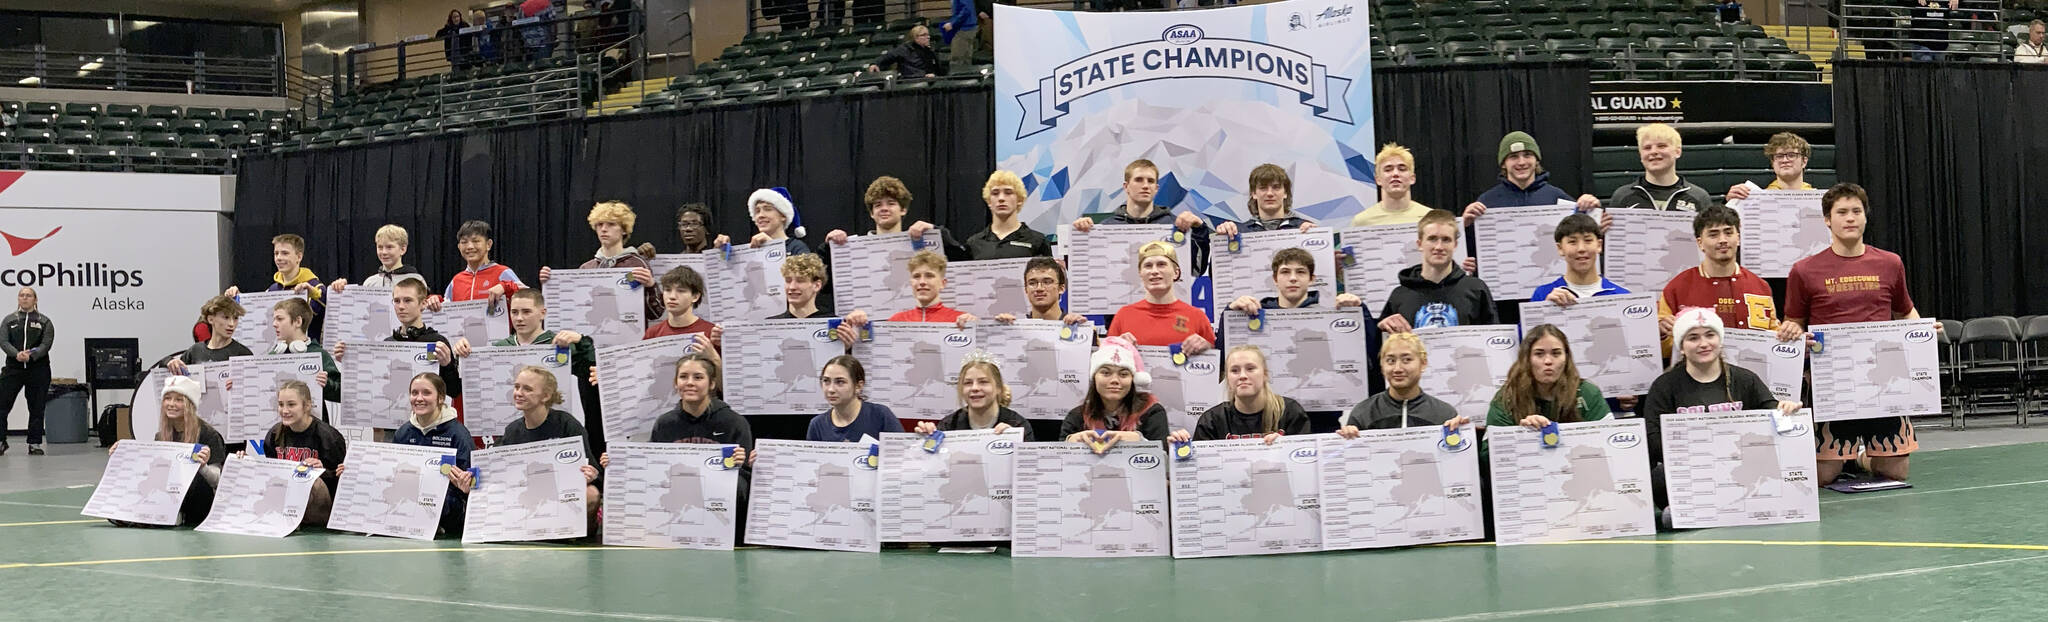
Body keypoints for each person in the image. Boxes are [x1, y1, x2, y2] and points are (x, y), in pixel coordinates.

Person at [1779, 183, 1929, 483]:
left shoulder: (1890, 262)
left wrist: (1922, 332)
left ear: (1865, 217)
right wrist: (1791, 332)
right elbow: (1793, 321)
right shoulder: (1804, 270)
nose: (1850, 218)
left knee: (1894, 473)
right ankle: (1840, 457)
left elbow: (1905, 312)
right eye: (1842, 212)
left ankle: (1860, 458)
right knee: (1823, 476)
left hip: (1882, 378)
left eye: (1856, 211)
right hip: (1832, 380)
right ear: (1827, 219)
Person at [1641, 308, 1804, 514]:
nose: (1703, 344)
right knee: (1658, 475)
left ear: (1720, 340)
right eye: (1693, 338)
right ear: (1681, 346)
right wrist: (1701, 455)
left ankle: (1698, 511)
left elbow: (1770, 413)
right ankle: (1687, 510)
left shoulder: (1745, 379)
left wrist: (1785, 409)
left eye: (1710, 335)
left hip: (1738, 468)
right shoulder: (1664, 386)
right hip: (1691, 471)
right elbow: (1653, 438)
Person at [107, 375, 225, 527]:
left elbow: (217, 481)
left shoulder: (208, 434)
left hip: (199, 501)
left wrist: (203, 467)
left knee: (196, 480)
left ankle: (171, 515)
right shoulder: (161, 435)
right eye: (167, 398)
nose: (171, 404)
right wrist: (122, 454)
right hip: (170, 495)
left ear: (190, 404)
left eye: (179, 400)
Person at [1483, 324, 1612, 456]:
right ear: (1526, 358)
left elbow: (1609, 445)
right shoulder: (1507, 396)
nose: (1548, 361)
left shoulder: (1587, 392)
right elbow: (1488, 458)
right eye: (1539, 354)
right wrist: (1521, 437)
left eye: (1556, 353)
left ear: (1566, 358)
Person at [1657, 206, 1778, 345]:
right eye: (1713, 234)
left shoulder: (1760, 286)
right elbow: (1664, 350)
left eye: (1728, 232)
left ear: (1738, 238)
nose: (1722, 240)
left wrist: (1792, 337)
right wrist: (1661, 334)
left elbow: (1774, 337)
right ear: (1700, 243)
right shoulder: (1677, 287)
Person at [1070, 159, 1212, 275]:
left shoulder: (1175, 225)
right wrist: (1082, 235)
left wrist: (1199, 228)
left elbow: (1196, 270)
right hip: (1120, 309)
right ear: (1126, 186)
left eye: (1150, 181)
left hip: (1164, 307)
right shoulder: (1107, 227)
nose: (1145, 186)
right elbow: (1087, 274)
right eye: (1138, 180)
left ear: (1156, 189)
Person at [500, 365, 602, 524]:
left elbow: (594, 474)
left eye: (527, 389)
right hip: (528, 493)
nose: (518, 393)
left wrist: (591, 475)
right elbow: (500, 473)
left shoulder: (567, 424)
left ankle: (576, 535)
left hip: (561, 494)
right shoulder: (512, 431)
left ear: (546, 396)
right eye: (516, 387)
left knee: (591, 494)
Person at [334, 279, 460, 404]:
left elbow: (454, 391)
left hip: (427, 420)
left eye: (408, 300)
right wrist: (348, 362)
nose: (401, 307)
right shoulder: (388, 344)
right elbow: (369, 386)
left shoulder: (435, 342)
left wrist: (447, 365)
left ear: (423, 304)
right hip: (392, 419)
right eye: (396, 301)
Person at [1378, 209, 1499, 333]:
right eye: (1432, 239)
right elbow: (1382, 347)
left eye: (1446, 239)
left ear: (1455, 245)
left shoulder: (1475, 289)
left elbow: (1491, 339)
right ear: (1419, 244)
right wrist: (1382, 328)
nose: (1439, 247)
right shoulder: (1400, 295)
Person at [539, 201, 659, 322]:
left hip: (630, 337)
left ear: (624, 230)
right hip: (592, 336)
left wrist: (651, 286)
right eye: (599, 224)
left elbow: (655, 314)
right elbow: (572, 308)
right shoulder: (587, 268)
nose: (604, 229)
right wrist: (550, 282)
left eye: (611, 224)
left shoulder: (637, 265)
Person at [1461, 131, 1604, 230]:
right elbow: (1469, 252)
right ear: (1503, 163)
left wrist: (1593, 211)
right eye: (1514, 156)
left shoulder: (1557, 198)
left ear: (1536, 160)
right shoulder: (1486, 202)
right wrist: (1465, 225)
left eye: (1528, 155)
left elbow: (1587, 236)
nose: (1521, 162)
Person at [388, 373, 474, 537]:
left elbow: (471, 482)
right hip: (409, 499)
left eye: (426, 393)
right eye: (414, 393)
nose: (419, 398)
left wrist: (466, 483)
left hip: (448, 507)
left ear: (441, 398)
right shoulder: (403, 432)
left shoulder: (458, 434)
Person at [257, 380, 347, 528]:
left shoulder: (329, 437)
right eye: (281, 404)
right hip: (285, 502)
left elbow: (341, 480)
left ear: (307, 406)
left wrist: (322, 471)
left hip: (322, 508)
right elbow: (272, 472)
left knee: (308, 478)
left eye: (291, 404)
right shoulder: (274, 434)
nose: (284, 410)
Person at [1060, 337, 1175, 450]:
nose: (1114, 380)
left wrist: (1140, 441)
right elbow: (1059, 462)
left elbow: (1163, 459)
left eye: (1123, 374)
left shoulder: (1151, 411)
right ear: (1094, 377)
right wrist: (1069, 444)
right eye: (1105, 373)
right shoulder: (1077, 416)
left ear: (1133, 379)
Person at [1180, 346, 1310, 442]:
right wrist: (1181, 450)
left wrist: (1285, 448)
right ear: (1228, 378)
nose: (1242, 376)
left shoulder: (1290, 412)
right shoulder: (1212, 420)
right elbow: (1202, 469)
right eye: (1235, 370)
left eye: (1250, 369)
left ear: (1265, 374)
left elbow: (1306, 463)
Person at [1340, 331, 1464, 431]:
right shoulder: (1363, 413)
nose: (1397, 369)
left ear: (1423, 364)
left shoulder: (1444, 414)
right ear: (1382, 366)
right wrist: (1347, 442)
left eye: (1407, 360)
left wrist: (1459, 436)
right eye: (1390, 361)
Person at [1107, 241, 1214, 354]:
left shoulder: (1197, 317)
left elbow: (1217, 363)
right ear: (1141, 274)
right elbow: (1105, 361)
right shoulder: (1124, 316)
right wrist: (1115, 346)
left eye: (1161, 264)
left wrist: (1207, 347)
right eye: (1148, 266)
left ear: (1176, 273)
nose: (1154, 271)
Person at [824, 176, 968, 260]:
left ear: (903, 210)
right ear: (871, 213)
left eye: (891, 203)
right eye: (878, 205)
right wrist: (828, 247)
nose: (884, 208)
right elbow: (824, 283)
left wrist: (936, 232)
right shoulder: (854, 249)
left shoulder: (921, 242)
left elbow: (961, 259)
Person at [225, 234, 327, 339]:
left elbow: (325, 306)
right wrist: (238, 298)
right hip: (276, 352)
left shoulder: (314, 286)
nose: (278, 258)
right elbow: (255, 316)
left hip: (307, 352)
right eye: (276, 253)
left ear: (299, 257)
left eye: (285, 253)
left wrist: (313, 294)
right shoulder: (272, 289)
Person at [915, 352, 1033, 440]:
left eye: (983, 382)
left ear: (998, 388)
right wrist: (927, 440)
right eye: (967, 383)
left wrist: (1015, 441)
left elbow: (1027, 468)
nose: (974, 388)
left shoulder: (1017, 425)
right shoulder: (949, 425)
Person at [1530, 213, 1630, 306]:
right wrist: (1545, 309)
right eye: (1572, 242)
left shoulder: (1623, 296)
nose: (1581, 249)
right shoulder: (1542, 295)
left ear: (1599, 245)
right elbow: (1527, 325)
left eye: (1588, 240)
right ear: (1560, 248)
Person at [1608, 123, 1711, 213]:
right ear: (1640, 155)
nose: (1653, 152)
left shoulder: (1699, 197)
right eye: (1647, 148)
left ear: (1678, 152)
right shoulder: (1622, 196)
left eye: (1661, 146)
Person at [1226, 247, 1364, 313]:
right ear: (1275, 279)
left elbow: (1370, 357)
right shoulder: (1257, 312)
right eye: (1285, 272)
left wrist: (1360, 310)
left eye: (1300, 272)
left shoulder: (1331, 311)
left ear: (1311, 279)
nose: (1293, 278)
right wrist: (1230, 310)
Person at [1, 287, 53, 455]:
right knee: (2, 405)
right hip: (13, 369)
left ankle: (35, 443)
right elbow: (3, 341)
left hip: (38, 369)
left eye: (28, 295)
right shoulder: (8, 320)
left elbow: (46, 344)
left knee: (37, 407)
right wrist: (16, 355)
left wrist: (32, 356)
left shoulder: (45, 321)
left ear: (35, 299)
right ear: (18, 299)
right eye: (22, 295)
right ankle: (1, 441)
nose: (24, 298)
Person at [806, 356, 904, 441]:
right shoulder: (817, 424)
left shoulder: (880, 415)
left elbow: (903, 453)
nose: (831, 389)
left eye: (840, 382)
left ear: (858, 386)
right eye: (826, 381)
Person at [265, 297, 342, 403]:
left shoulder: (318, 354)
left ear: (298, 321)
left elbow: (342, 393)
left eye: (280, 319)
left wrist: (327, 384)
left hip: (312, 418)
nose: (274, 324)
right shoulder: (273, 356)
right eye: (274, 319)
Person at [962, 171, 1053, 260]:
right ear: (989, 201)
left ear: (1019, 199)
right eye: (995, 193)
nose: (1001, 198)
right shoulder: (974, 243)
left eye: (1008, 192)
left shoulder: (1038, 241)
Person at [1214, 164, 1315, 237]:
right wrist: (1222, 238)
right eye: (1263, 188)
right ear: (1254, 193)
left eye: (1276, 187)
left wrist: (1316, 236)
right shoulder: (1237, 232)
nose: (1270, 193)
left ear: (1285, 193)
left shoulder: (1304, 228)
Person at [643, 266, 722, 356]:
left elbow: (725, 369)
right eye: (667, 290)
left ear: (695, 297)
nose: (672, 296)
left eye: (681, 291)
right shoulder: (652, 333)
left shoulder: (711, 333)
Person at [443, 220, 524, 306]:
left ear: (488, 244)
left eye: (476, 241)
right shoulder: (456, 281)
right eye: (464, 242)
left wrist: (506, 287)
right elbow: (444, 309)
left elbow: (531, 299)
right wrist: (433, 301)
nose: (470, 246)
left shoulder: (502, 272)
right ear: (459, 247)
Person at [1351, 144, 1434, 226]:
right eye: (1388, 170)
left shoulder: (1430, 218)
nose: (1395, 174)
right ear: (1378, 179)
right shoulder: (1361, 222)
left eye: (1402, 169)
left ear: (1412, 178)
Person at [167, 295, 253, 374]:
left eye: (235, 318)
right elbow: (165, 366)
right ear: (211, 319)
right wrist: (170, 361)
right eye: (226, 317)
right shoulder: (195, 350)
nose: (231, 324)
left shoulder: (243, 354)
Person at [328, 224, 427, 293]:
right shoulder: (370, 283)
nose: (384, 252)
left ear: (403, 249)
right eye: (380, 247)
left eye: (389, 247)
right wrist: (340, 290)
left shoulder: (416, 280)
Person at [1724, 133, 1816, 201]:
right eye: (1779, 156)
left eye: (1791, 155)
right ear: (1773, 162)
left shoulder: (1819, 200)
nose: (1785, 160)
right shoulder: (1753, 199)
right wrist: (1729, 204)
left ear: (1804, 161)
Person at [994, 257, 1083, 323]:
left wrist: (1092, 338)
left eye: (1047, 282)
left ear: (1061, 288)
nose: (1039, 288)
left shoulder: (1078, 327)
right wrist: (1002, 332)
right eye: (1032, 283)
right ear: (1026, 289)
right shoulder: (1015, 330)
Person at [744, 187, 813, 257]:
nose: (760, 215)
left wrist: (773, 247)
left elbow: (804, 267)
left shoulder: (797, 248)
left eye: (767, 209)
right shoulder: (751, 250)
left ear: (783, 215)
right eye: (757, 211)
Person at [771, 253, 835, 319]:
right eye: (788, 281)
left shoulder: (834, 324)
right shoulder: (770, 326)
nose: (792, 287)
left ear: (817, 285)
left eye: (800, 281)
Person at [866, 25, 941, 78]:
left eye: (928, 34)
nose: (928, 37)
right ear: (915, 37)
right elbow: (887, 57)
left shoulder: (930, 52)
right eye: (924, 35)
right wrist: (874, 64)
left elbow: (937, 69)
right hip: (910, 81)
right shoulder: (904, 49)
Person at [941, 0, 979, 69]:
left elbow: (966, 10)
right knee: (965, 59)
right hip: (967, 27)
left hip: (963, 28)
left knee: (957, 59)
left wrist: (953, 23)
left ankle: (957, 78)